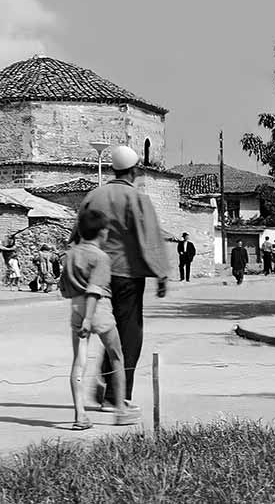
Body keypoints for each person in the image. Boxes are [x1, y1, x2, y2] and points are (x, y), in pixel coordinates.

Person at [75, 145, 168, 411]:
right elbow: (150, 238)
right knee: (129, 333)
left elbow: (77, 232)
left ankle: (103, 390)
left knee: (106, 328)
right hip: (127, 273)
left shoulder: (94, 196)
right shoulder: (137, 199)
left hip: (96, 274)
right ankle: (117, 396)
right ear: (135, 171)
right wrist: (161, 272)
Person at [61, 208, 139, 430]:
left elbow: (64, 289)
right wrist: (89, 318)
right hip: (98, 309)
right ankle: (121, 410)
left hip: (76, 306)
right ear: (102, 232)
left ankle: (80, 415)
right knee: (116, 356)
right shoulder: (101, 257)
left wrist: (81, 314)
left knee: (79, 361)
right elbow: (95, 289)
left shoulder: (70, 255)